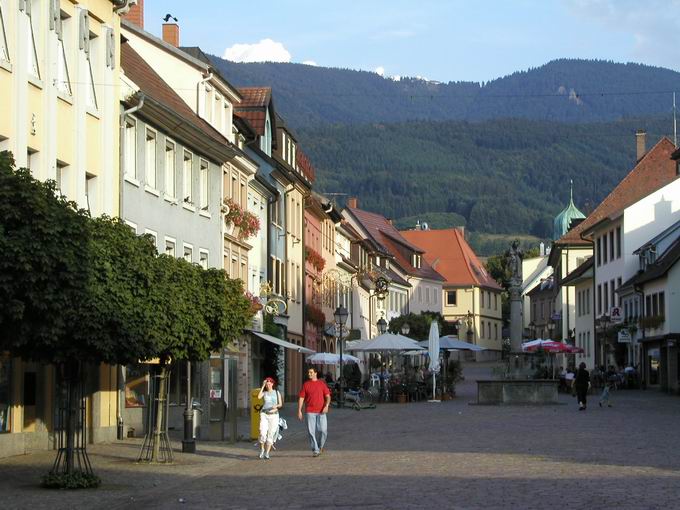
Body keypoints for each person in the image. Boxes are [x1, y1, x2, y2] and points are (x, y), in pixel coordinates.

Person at [298, 367, 331, 457]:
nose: (309, 374)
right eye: (308, 372)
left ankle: (320, 446)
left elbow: (328, 396)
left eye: (311, 372)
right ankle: (315, 449)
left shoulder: (322, 384)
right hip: (310, 411)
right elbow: (301, 398)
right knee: (311, 431)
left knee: (323, 430)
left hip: (321, 411)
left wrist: (327, 406)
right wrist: (299, 410)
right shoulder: (306, 384)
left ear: (315, 373)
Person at [257, 377, 282, 460]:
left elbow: (280, 404)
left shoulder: (276, 392)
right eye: (267, 384)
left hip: (274, 415)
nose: (268, 385)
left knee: (270, 434)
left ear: (272, 384)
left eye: (269, 384)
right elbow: (259, 397)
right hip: (264, 414)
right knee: (262, 432)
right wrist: (263, 385)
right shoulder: (264, 392)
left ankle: (267, 453)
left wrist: (277, 406)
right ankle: (262, 449)